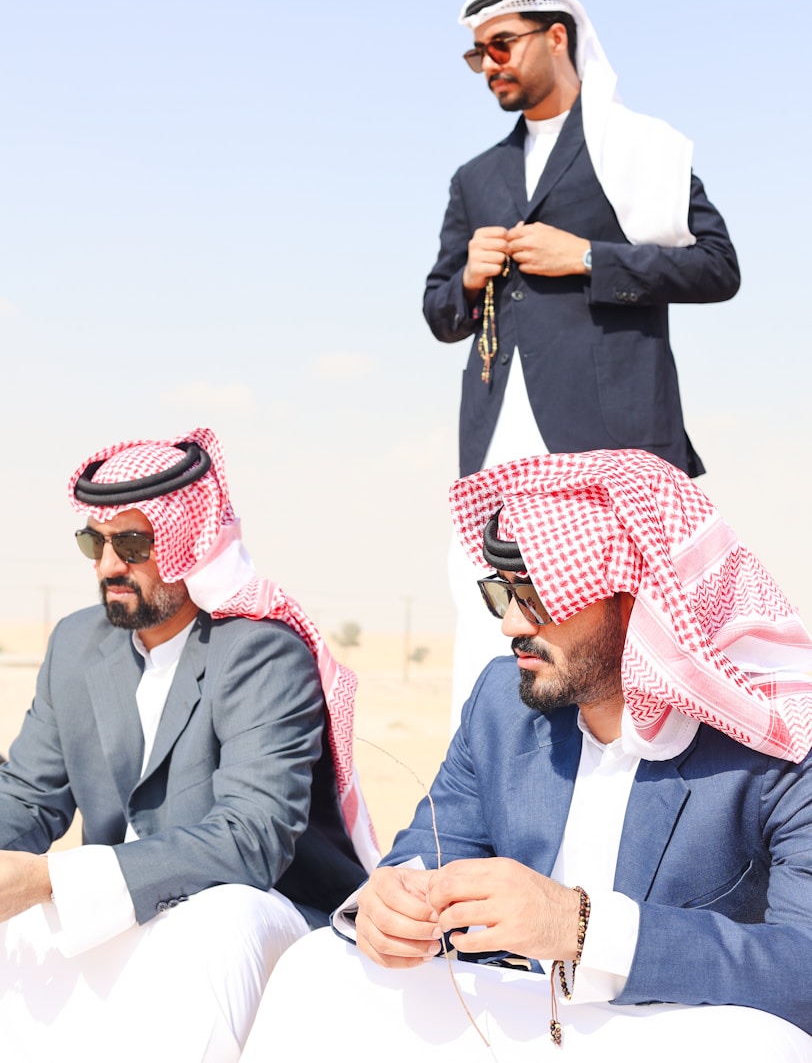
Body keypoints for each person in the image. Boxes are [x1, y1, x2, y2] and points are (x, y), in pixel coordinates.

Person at [242, 449, 812, 1063]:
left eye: (538, 593)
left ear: (635, 600)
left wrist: (582, 928)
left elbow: (802, 969)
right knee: (320, 967)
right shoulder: (501, 702)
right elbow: (427, 853)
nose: (511, 623)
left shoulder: (775, 742)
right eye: (502, 591)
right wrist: (387, 905)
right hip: (508, 1016)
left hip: (661, 1032)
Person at [423, 0, 741, 719]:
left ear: (555, 35)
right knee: (493, 619)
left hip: (612, 434)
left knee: (623, 630)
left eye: (500, 46)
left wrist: (593, 259)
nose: (488, 65)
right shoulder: (476, 177)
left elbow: (718, 266)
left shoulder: (641, 149)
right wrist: (467, 278)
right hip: (499, 441)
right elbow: (439, 313)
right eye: (477, 55)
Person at [0, 428, 377, 1063]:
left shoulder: (259, 649)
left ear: (189, 545)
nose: (108, 566)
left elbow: (251, 839)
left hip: (262, 917)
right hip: (120, 907)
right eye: (95, 541)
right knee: (21, 925)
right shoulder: (75, 643)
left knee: (215, 923)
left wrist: (51, 880)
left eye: (134, 543)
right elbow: (28, 798)